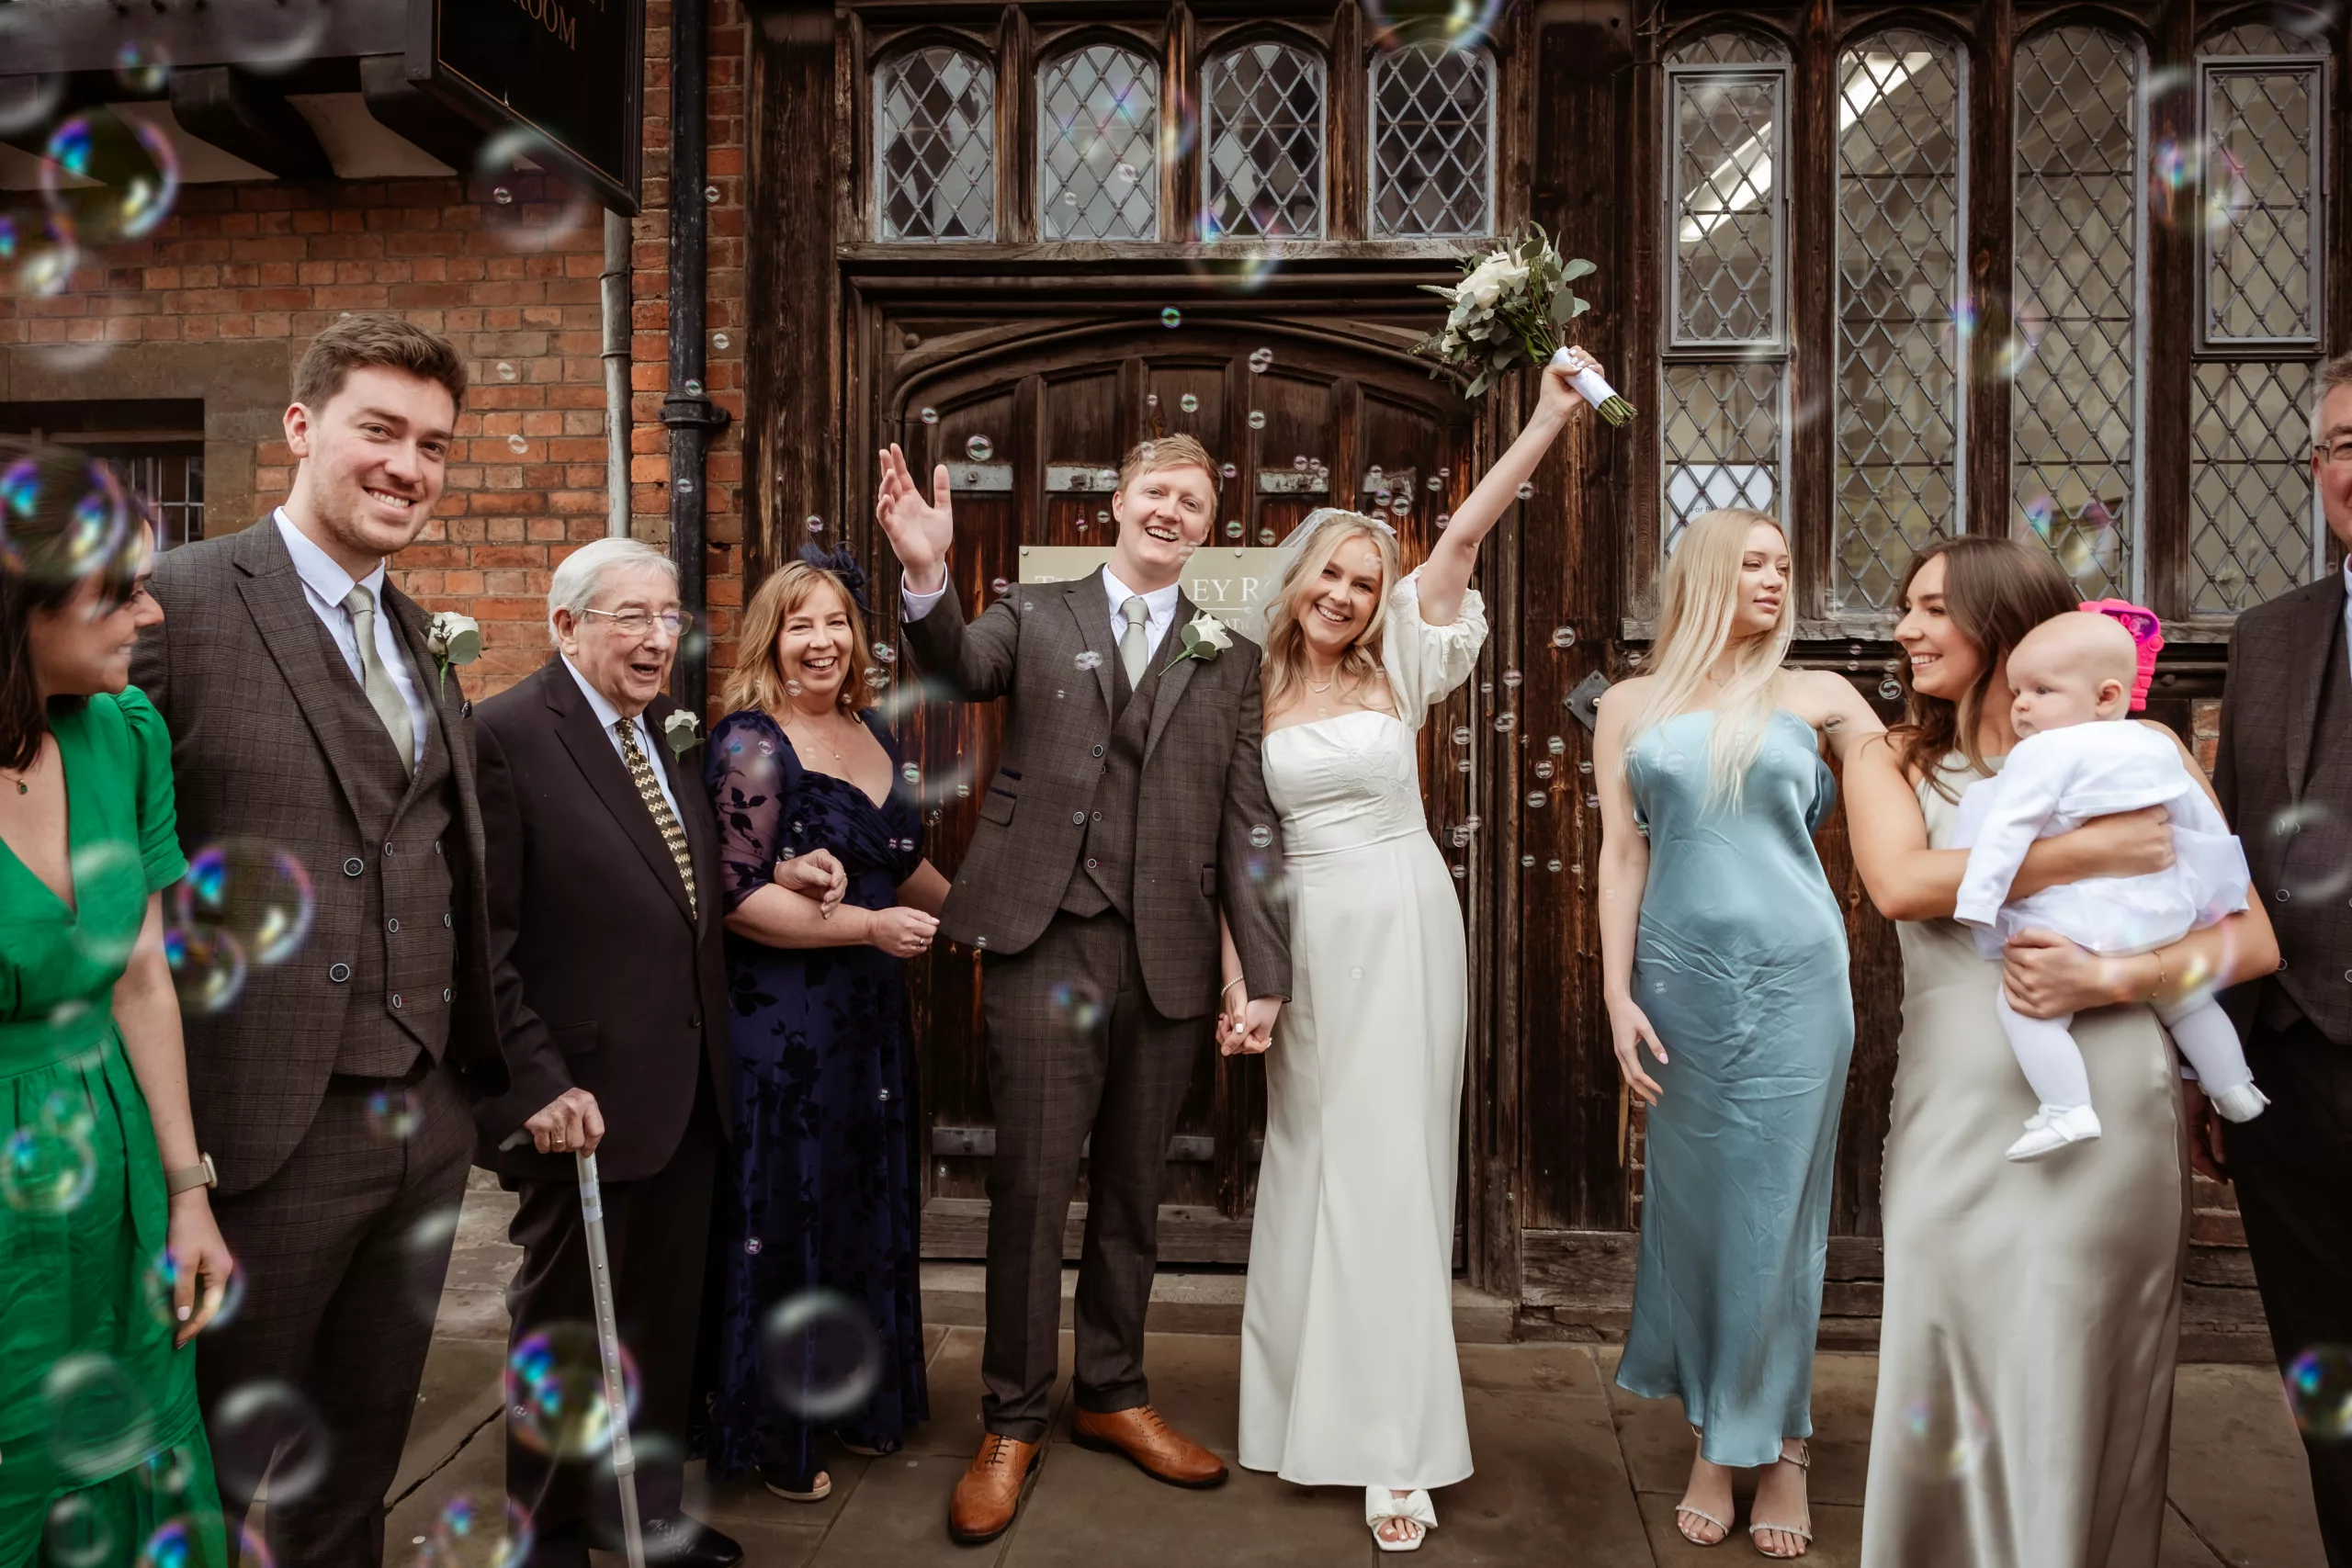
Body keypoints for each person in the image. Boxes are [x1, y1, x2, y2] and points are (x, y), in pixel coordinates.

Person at [130, 314, 514, 1564]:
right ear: (299, 427)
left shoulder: (419, 638)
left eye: (436, 445)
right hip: (253, 1133)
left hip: (418, 1128)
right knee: (207, 1476)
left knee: (352, 1467)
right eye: (382, 431)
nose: (412, 466)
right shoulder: (176, 603)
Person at [874, 431, 1292, 1545]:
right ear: (1116, 500)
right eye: (1155, 490)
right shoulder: (1036, 613)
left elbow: (1248, 823)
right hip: (1043, 936)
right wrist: (926, 572)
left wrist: (1263, 973)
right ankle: (1010, 1418)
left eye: (1192, 502)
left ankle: (1111, 1393)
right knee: (1030, 1188)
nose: (1171, 512)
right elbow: (957, 669)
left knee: (1130, 1196)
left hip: (1163, 951)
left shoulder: (1231, 655)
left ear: (1208, 525)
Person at [1843, 536, 2278, 1567]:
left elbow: (2249, 938)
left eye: (1933, 608)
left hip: (2110, 1115)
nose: (1906, 629)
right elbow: (1901, 885)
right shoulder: (1891, 759)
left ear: (2006, 625)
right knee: (1944, 1362)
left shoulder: (2146, 752)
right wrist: (2090, 851)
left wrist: (2113, 980)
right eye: (1906, 608)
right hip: (1953, 1117)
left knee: (2079, 1368)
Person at [1232, 351, 1598, 1551]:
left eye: (1362, 577)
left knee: (1393, 1167)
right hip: (1304, 943)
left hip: (1403, 915)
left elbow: (1465, 538)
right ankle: (1298, 1407)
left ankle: (1397, 1443)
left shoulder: (1398, 662)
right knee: (1310, 1158)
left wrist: (1544, 416)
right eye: (1331, 573)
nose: (1345, 591)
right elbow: (1229, 849)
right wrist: (1247, 977)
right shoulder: (1239, 692)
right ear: (1297, 580)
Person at [1593, 506, 1883, 1559]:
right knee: (1701, 1215)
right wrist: (1617, 995)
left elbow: (1920, 791)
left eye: (1783, 565)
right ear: (1707, 575)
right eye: (1753, 563)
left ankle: (1784, 1444)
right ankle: (1718, 1435)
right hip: (1678, 989)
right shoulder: (1629, 705)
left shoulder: (1820, 698)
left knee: (1782, 1219)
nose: (1774, 580)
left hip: (1799, 985)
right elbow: (1622, 857)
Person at [471, 536, 754, 1568]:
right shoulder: (504, 735)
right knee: (567, 1339)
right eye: (629, 616)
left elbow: (676, 904)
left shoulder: (659, 740)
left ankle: (644, 1517)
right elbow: (483, 939)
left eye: (669, 615)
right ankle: (547, 1542)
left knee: (655, 1331)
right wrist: (535, 1082)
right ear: (565, 627)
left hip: (682, 1095)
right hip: (578, 1103)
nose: (656, 637)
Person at [0, 445, 237, 1565]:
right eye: (118, 589)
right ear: (21, 606)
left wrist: (188, 1194)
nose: (148, 610)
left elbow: (142, 972)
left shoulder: (124, 731)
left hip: (121, 1172)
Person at [702, 547, 947, 1504]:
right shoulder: (751, 744)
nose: (820, 640)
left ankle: (855, 1400)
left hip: (867, 1020)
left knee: (857, 1193)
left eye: (836, 621)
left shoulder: (869, 729)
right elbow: (734, 901)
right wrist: (868, 927)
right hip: (784, 1021)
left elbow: (903, 860)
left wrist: (996, 928)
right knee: (786, 1207)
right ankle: (776, 1431)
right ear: (773, 637)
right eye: (799, 623)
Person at [2209, 346, 2352, 1566]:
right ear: (2316, 471)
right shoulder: (2268, 637)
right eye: (2344, 444)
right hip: (2292, 1075)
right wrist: (2220, 1060)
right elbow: (2224, 863)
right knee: (2329, 1375)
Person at [1951, 609, 2263, 1161]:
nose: (2021, 703)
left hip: (2084, 925)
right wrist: (2221, 892)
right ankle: (2233, 1085)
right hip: (2163, 917)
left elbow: (2008, 830)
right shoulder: (2154, 745)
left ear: (2105, 696)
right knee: (2187, 1000)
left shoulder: (2042, 752)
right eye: (2018, 689)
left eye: (2042, 690)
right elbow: (2200, 824)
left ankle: (2066, 1108)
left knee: (2024, 1010)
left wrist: (1980, 900)